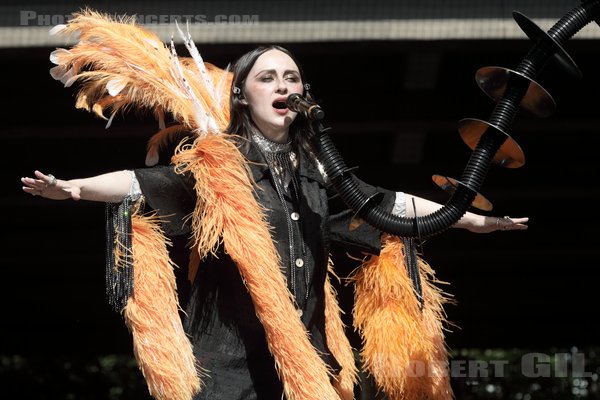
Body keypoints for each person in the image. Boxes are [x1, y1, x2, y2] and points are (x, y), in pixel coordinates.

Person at [21, 13, 527, 400]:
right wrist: (75, 188)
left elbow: (384, 204)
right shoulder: (216, 165)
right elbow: (143, 182)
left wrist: (472, 219)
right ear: (242, 95)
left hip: (307, 362)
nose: (284, 86)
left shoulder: (318, 172)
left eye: (292, 77)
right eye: (268, 78)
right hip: (228, 369)